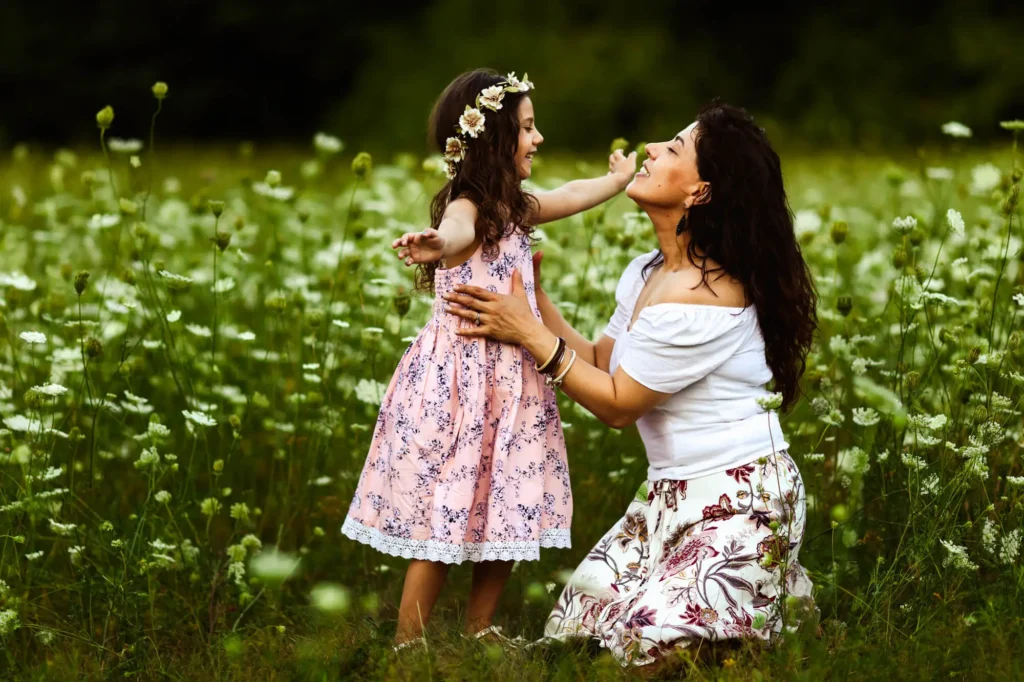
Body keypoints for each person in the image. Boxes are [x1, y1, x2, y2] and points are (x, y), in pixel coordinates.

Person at [442, 101, 818, 667]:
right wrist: (534, 303)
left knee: (651, 648)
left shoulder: (704, 296)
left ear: (700, 193)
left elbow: (618, 405)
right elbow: (600, 360)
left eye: (674, 149)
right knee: (579, 637)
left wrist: (527, 332)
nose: (650, 150)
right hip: (668, 498)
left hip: (740, 501)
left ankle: (754, 608)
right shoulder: (651, 271)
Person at [342, 68, 638, 649]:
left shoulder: (513, 208)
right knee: (446, 510)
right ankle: (409, 643)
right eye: (527, 127)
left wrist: (617, 183)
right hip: (460, 386)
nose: (539, 137)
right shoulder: (469, 206)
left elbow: (570, 196)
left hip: (515, 383)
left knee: (507, 505)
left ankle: (480, 628)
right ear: (493, 139)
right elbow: (454, 232)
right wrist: (436, 245)